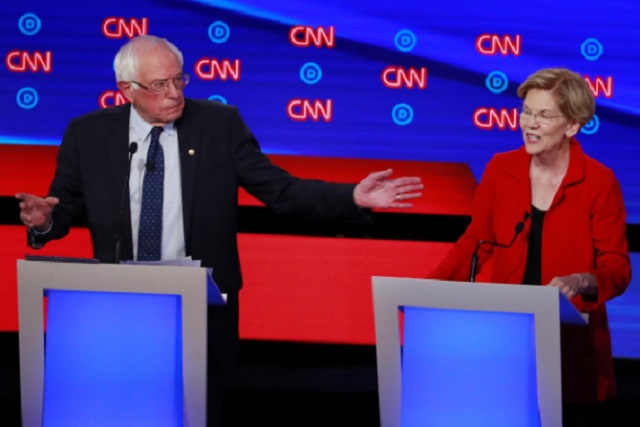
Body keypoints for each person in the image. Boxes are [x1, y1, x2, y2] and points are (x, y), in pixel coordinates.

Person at [15, 35, 423, 426]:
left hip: (203, 308)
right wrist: (45, 220)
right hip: (120, 309)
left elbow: (280, 190)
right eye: (160, 85)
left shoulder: (218, 125)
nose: (174, 93)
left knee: (199, 413)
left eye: (179, 79)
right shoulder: (88, 133)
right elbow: (63, 206)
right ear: (127, 89)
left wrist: (352, 196)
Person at [426, 68, 631, 426]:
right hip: (506, 335)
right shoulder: (501, 169)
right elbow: (475, 243)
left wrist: (582, 280)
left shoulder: (598, 182)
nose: (529, 123)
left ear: (571, 125)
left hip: (569, 342)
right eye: (526, 111)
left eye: (543, 115)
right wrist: (427, 290)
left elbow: (618, 269)